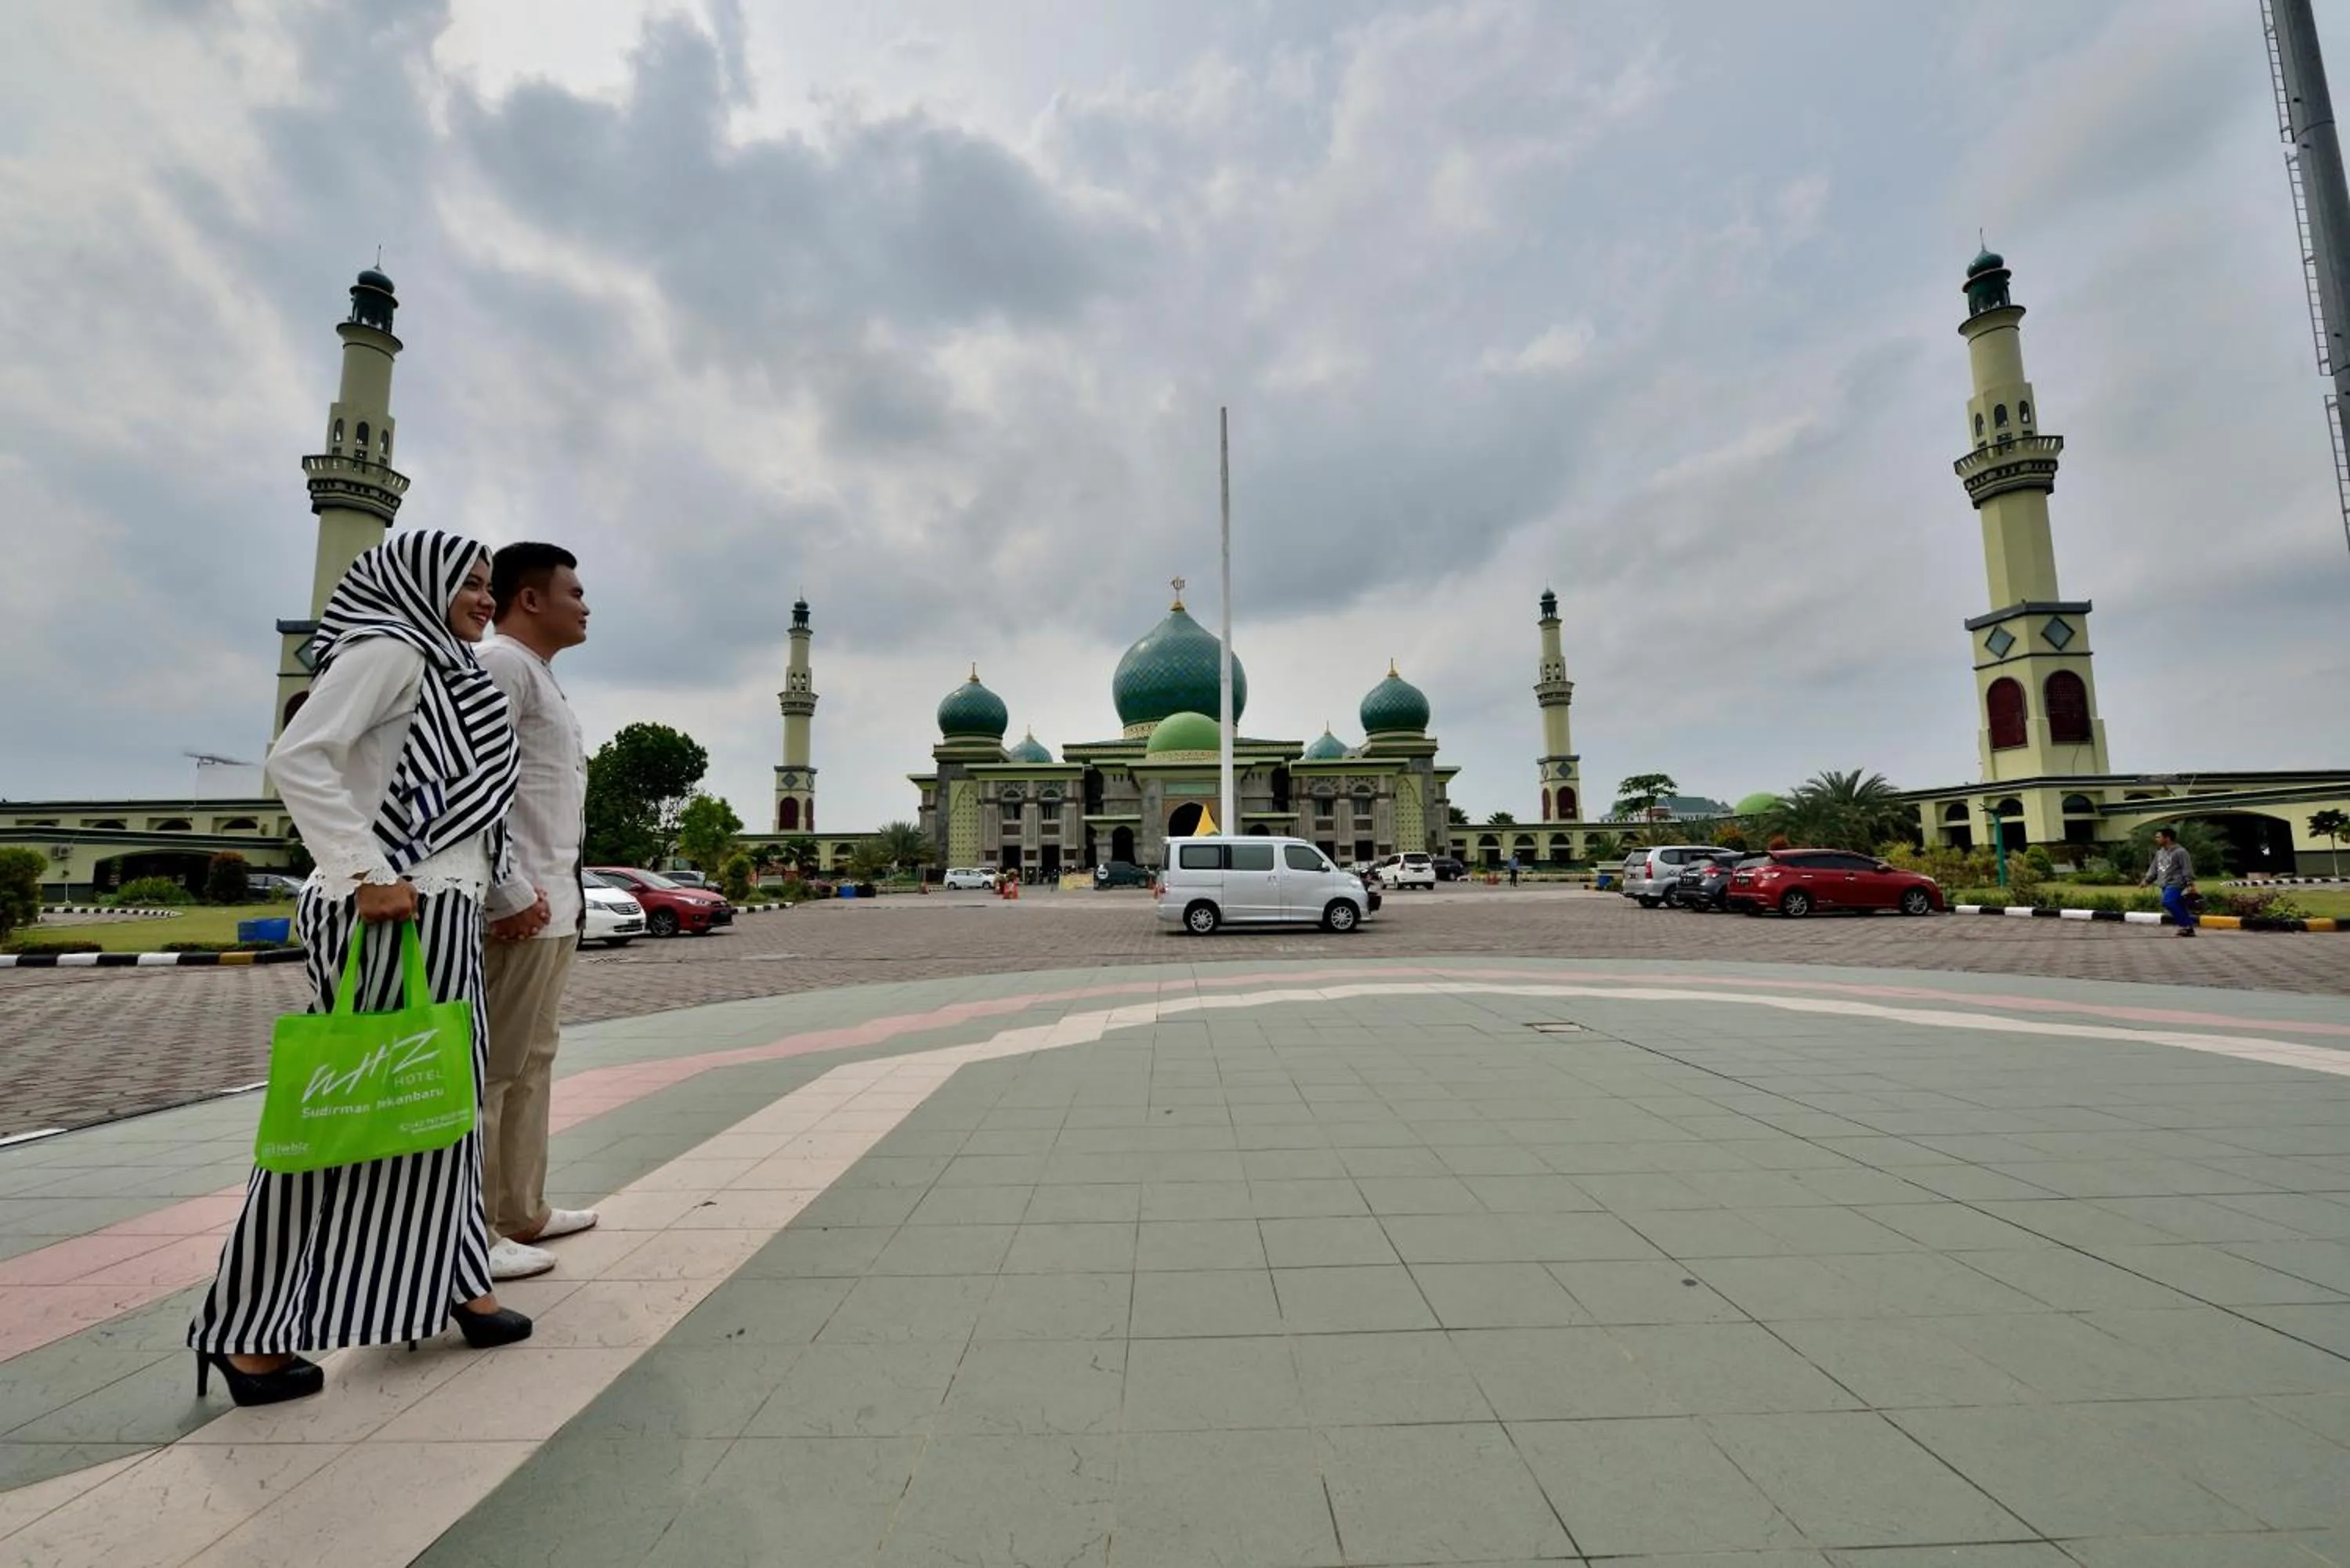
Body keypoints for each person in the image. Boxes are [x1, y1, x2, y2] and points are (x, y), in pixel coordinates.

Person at [189, 530, 532, 1408]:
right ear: (417, 582)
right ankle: (249, 1332)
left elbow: (468, 816)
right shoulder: (388, 650)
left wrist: (507, 895)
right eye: (467, 582)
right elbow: (298, 757)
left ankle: (454, 1279)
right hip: (386, 912)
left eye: (489, 584)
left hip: (438, 912)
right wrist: (364, 869)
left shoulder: (451, 672)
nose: (484, 598)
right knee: (341, 1117)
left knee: (439, 1105)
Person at [476, 542, 596, 1281]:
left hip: (554, 906)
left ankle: (521, 1210)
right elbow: (473, 786)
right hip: (519, 908)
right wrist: (507, 890)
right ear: (529, 599)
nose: (585, 606)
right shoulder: (500, 665)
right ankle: (478, 1233)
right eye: (574, 592)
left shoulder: (537, 675)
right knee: (495, 1071)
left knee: (532, 1063)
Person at [2142, 826, 2199, 938]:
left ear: (2167, 838)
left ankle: (2185, 925)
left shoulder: (2181, 852)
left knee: (2168, 902)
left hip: (2176, 883)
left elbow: (2187, 868)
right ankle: (2188, 928)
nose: (2156, 839)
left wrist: (2189, 884)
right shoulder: (2159, 853)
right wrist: (2147, 880)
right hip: (2164, 883)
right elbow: (2154, 868)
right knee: (2180, 905)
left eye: (2158, 837)